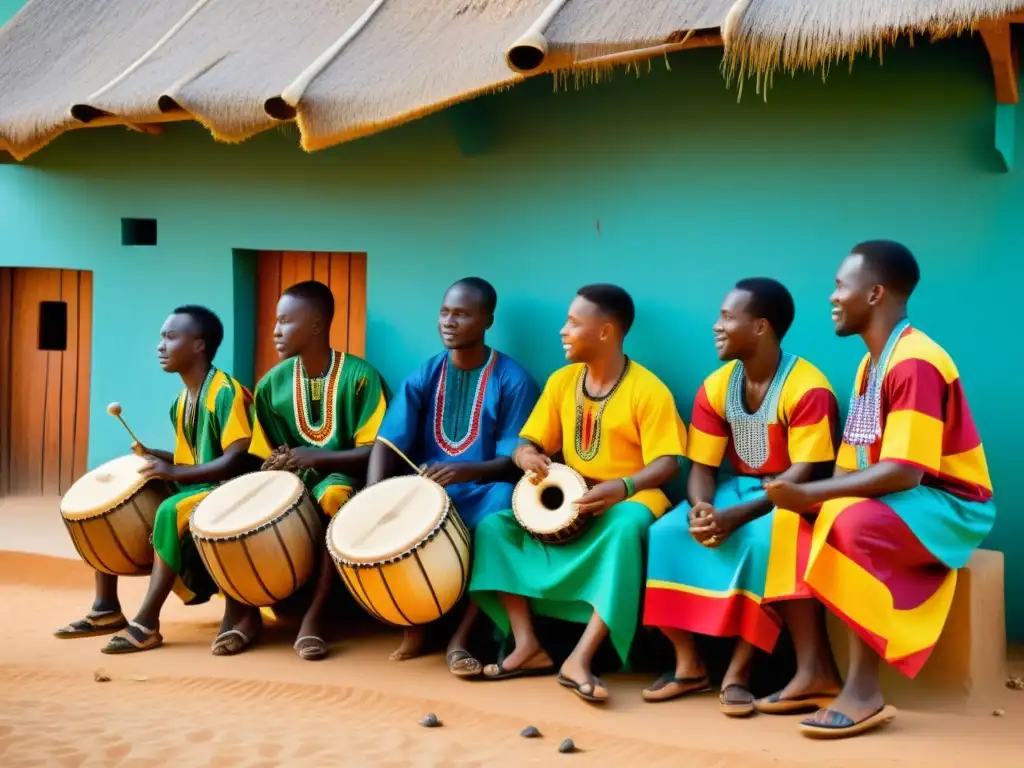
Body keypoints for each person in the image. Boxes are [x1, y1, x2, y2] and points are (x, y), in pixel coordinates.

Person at [764, 241, 996, 739]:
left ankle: (864, 690)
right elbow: (858, 464)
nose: (832, 297)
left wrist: (815, 494)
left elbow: (905, 471)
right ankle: (813, 669)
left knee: (847, 521)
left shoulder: (915, 360)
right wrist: (804, 498)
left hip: (952, 503)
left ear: (874, 294)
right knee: (793, 518)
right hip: (903, 495)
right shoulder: (871, 363)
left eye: (840, 287)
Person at [469, 284, 686, 703]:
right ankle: (527, 644)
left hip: (631, 498)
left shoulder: (648, 389)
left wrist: (623, 487)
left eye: (573, 322)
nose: (563, 331)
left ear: (605, 332)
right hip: (571, 495)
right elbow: (526, 441)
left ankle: (580, 658)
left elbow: (670, 462)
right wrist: (525, 456)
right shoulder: (562, 381)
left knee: (625, 529)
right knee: (495, 528)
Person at [641, 278, 841, 715]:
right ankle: (688, 664)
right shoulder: (716, 386)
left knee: (764, 541)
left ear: (761, 327)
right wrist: (701, 508)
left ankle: (740, 671)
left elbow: (804, 473)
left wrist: (737, 518)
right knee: (667, 533)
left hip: (793, 497)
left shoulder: (808, 387)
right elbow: (703, 469)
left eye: (728, 317)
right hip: (734, 491)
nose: (716, 326)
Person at [54, 306, 253, 653]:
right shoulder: (181, 401)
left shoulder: (227, 392)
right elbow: (189, 459)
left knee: (168, 511)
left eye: (171, 337)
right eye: (161, 336)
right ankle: (105, 608)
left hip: (229, 491)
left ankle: (146, 623)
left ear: (199, 346)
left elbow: (236, 458)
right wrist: (156, 456)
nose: (161, 345)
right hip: (196, 485)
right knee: (113, 501)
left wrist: (173, 472)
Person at [368, 278, 540, 673]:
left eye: (462, 314)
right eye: (445, 312)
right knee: (397, 508)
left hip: (485, 490)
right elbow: (386, 444)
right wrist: (374, 497)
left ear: (487, 321)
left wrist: (467, 470)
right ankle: (415, 624)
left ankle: (463, 637)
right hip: (428, 491)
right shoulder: (425, 374)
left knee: (499, 512)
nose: (449, 321)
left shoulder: (512, 379)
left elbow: (516, 458)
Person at [234, 280, 390, 660]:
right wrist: (276, 466)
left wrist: (317, 458)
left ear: (318, 326)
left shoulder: (360, 377)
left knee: (334, 496)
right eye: (276, 320)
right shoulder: (273, 384)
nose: (275, 330)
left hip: (344, 481)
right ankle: (246, 611)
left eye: (286, 321)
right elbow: (264, 452)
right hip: (293, 482)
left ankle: (314, 618)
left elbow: (376, 451)